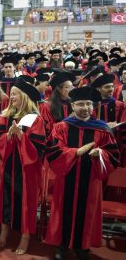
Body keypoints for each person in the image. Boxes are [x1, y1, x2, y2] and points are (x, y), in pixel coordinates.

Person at [45, 87, 120, 260]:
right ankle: (62, 246)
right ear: (73, 106)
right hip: (66, 180)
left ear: (93, 107)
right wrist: (77, 152)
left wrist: (100, 154)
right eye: (80, 104)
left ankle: (82, 247)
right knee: (64, 211)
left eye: (88, 104)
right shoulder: (61, 127)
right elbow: (54, 151)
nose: (85, 107)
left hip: (91, 180)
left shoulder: (102, 129)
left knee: (87, 213)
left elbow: (113, 155)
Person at [0, 79, 46, 255]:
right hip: (9, 165)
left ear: (23, 97)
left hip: (27, 169)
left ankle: (25, 236)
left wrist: (21, 136)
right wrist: (7, 137)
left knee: (26, 202)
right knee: (6, 198)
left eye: (14, 94)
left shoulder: (35, 119)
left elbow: (38, 149)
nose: (11, 97)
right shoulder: (6, 116)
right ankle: (5, 230)